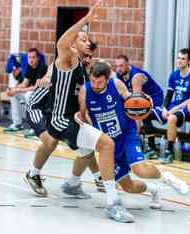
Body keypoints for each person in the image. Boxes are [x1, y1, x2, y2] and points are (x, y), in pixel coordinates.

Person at [24, 1, 134, 223]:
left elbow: (94, 89)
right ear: (73, 44)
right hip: (57, 119)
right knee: (105, 144)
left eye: (87, 39)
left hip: (70, 117)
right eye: (82, 39)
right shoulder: (67, 58)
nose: (87, 42)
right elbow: (62, 41)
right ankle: (113, 204)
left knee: (86, 149)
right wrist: (86, 19)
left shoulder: (86, 66)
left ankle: (72, 184)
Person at [79, 61, 189, 211]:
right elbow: (83, 114)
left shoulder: (116, 84)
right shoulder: (85, 91)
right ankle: (154, 189)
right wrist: (78, 117)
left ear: (107, 79)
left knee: (140, 170)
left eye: (99, 82)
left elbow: (130, 99)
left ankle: (166, 177)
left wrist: (142, 99)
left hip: (126, 134)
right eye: (92, 81)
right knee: (128, 187)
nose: (95, 85)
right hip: (108, 143)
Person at [26, 40, 105, 192]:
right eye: (86, 55)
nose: (88, 59)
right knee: (51, 141)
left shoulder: (85, 72)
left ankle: (96, 178)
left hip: (61, 113)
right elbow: (50, 73)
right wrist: (46, 79)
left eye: (90, 56)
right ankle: (33, 174)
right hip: (39, 107)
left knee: (85, 143)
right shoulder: (66, 62)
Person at [115, 54, 164, 158]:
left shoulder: (136, 76)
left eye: (121, 66)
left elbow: (136, 105)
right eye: (117, 66)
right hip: (142, 98)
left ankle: (151, 147)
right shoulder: (119, 74)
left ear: (128, 64)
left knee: (141, 112)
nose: (119, 69)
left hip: (155, 98)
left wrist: (134, 138)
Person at [160, 48, 190, 163]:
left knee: (172, 118)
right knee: (149, 112)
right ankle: (149, 145)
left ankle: (169, 151)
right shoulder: (174, 75)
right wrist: (164, 108)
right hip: (175, 105)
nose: (179, 61)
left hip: (188, 107)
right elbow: (168, 95)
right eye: (178, 58)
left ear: (189, 61)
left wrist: (174, 109)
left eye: (183, 59)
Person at [4, 48, 47, 132]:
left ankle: (35, 126)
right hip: (34, 92)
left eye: (33, 57)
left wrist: (17, 90)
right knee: (14, 95)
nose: (31, 60)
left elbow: (36, 87)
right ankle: (17, 124)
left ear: (38, 58)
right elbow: (24, 84)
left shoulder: (42, 67)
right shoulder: (29, 67)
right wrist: (13, 89)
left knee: (28, 95)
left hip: (43, 94)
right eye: (29, 57)